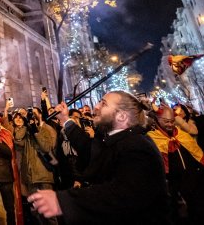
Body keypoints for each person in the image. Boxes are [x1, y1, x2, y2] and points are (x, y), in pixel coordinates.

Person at [28, 91, 169, 224]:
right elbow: (89, 149)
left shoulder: (138, 146)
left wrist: (64, 201)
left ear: (122, 116)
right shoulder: (116, 141)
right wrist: (65, 119)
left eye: (103, 104)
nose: (96, 106)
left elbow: (124, 194)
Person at [12, 108, 57, 224]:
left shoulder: (45, 129)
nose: (32, 117)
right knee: (35, 211)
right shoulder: (27, 131)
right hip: (31, 177)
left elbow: (46, 148)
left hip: (43, 175)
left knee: (49, 212)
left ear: (40, 116)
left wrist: (36, 131)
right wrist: (25, 124)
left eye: (35, 115)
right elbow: (18, 139)